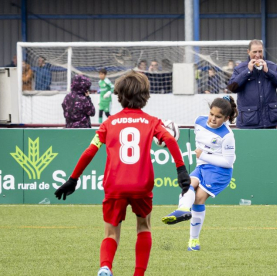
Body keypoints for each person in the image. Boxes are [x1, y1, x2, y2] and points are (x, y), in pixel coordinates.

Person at [54, 71, 191, 276]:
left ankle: (105, 266)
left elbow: (90, 150)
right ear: (145, 96)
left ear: (118, 96)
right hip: (141, 184)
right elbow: (170, 140)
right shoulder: (152, 121)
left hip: (115, 184)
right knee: (143, 227)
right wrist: (181, 170)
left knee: (110, 231)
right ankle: (138, 274)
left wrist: (73, 179)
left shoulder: (108, 124)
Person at [161, 95, 238, 251]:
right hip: (202, 166)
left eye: (218, 117)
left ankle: (193, 241)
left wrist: (202, 155)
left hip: (219, 172)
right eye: (211, 114)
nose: (213, 119)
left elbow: (228, 162)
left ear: (226, 118)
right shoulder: (199, 121)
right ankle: (182, 210)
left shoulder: (227, 135)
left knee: (198, 199)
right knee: (187, 185)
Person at [227, 39, 277, 129]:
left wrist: (268, 71)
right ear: (248, 52)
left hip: (270, 121)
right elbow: (232, 87)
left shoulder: (271, 66)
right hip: (249, 121)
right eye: (254, 52)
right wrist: (247, 71)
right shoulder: (240, 68)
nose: (258, 55)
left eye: (260, 51)